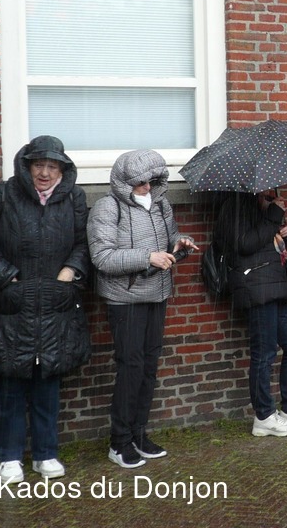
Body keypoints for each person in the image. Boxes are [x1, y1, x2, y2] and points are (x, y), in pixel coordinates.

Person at [0, 135, 91, 485]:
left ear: (63, 170)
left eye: (52, 166)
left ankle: (46, 453)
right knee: (10, 385)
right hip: (9, 308)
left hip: (54, 306)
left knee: (48, 383)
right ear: (26, 166)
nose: (45, 173)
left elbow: (84, 244)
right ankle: (9, 457)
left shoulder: (74, 199)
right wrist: (8, 277)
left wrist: (70, 273)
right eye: (38, 165)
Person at [89, 149, 197, 469]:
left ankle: (138, 434)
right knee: (131, 368)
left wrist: (180, 245)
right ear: (124, 182)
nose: (147, 187)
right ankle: (119, 442)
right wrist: (147, 257)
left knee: (149, 367)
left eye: (152, 181)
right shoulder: (107, 208)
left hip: (157, 295)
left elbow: (170, 241)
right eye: (140, 183)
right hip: (125, 300)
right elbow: (102, 257)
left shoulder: (161, 204)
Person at [216, 189, 287, 436]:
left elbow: (273, 245)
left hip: (273, 285)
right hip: (255, 287)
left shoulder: (263, 209)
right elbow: (244, 244)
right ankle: (264, 416)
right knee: (264, 352)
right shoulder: (235, 207)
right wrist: (274, 215)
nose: (271, 195)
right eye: (266, 195)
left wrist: (286, 233)